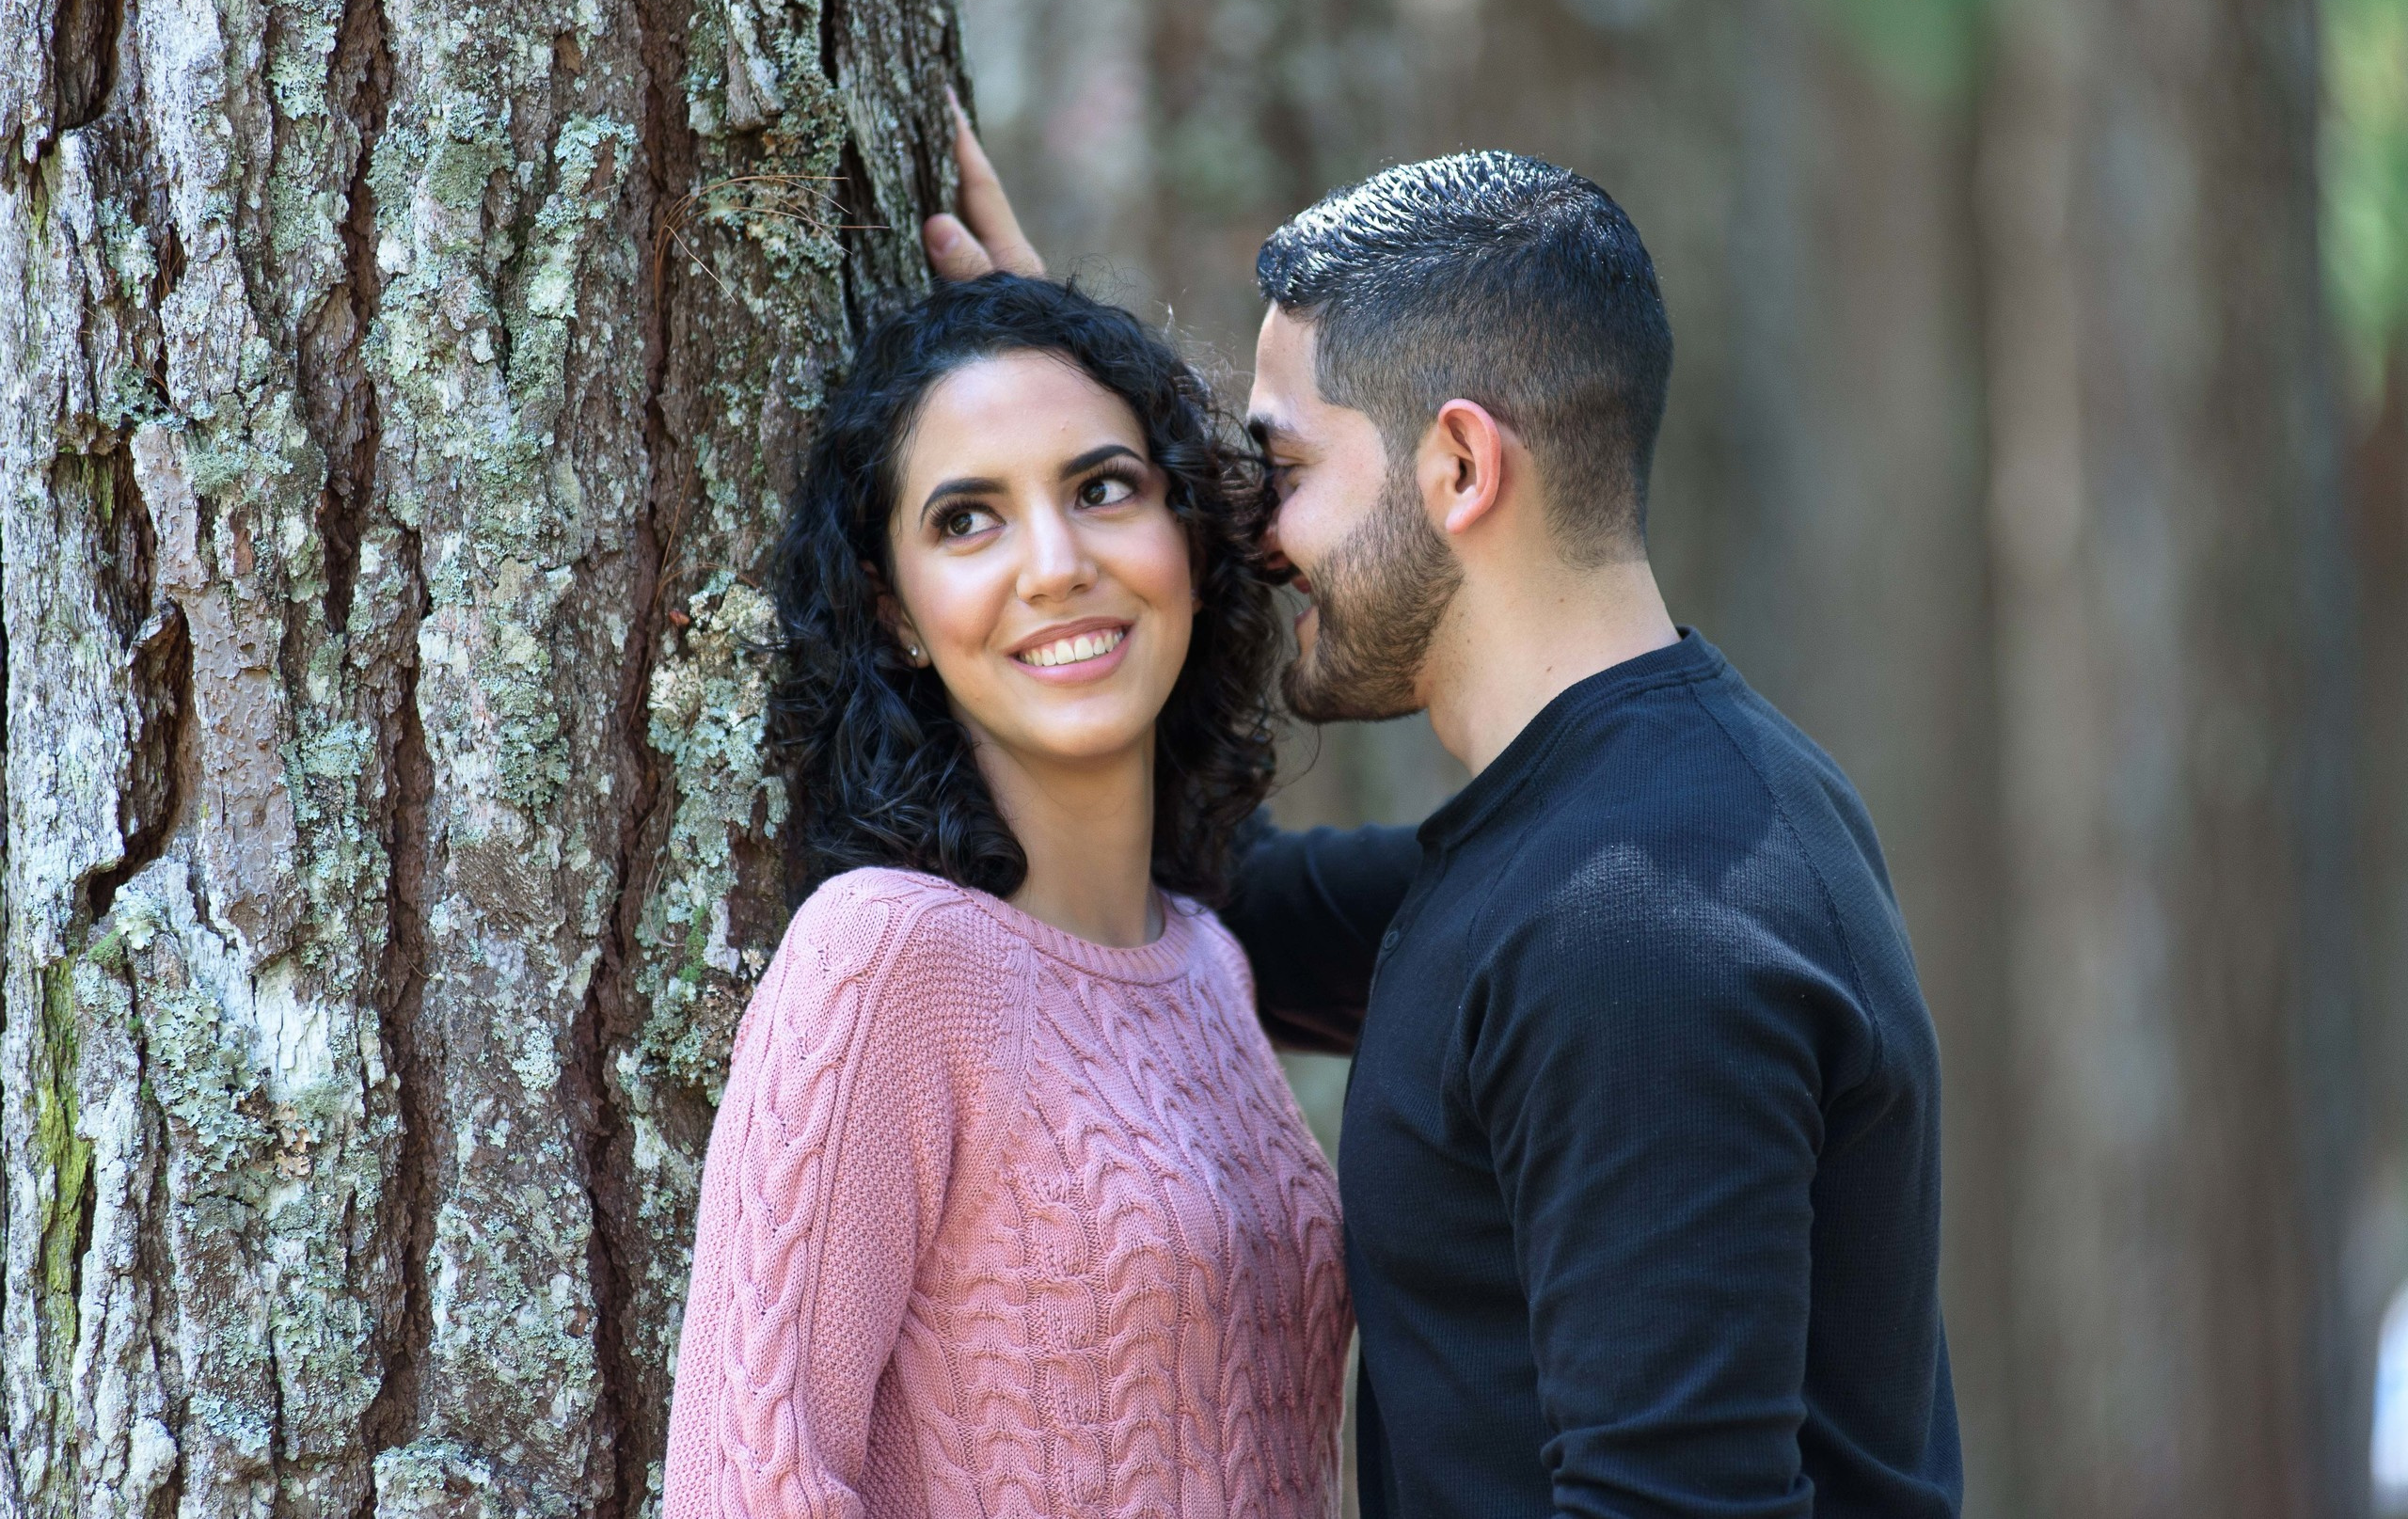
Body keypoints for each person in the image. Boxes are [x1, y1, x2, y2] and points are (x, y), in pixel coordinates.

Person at [928, 114, 1963, 1516]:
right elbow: (1230, 901)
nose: (1255, 530)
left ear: (1461, 468)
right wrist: (1093, 471)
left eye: (1283, 473)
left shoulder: (1642, 932)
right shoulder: (1641, 833)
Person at [660, 274, 1351, 1519]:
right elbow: (747, 1488)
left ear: (1187, 536)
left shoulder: (1208, 963)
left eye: (1102, 489)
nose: (1056, 565)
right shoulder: (882, 962)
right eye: (968, 520)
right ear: (898, 612)